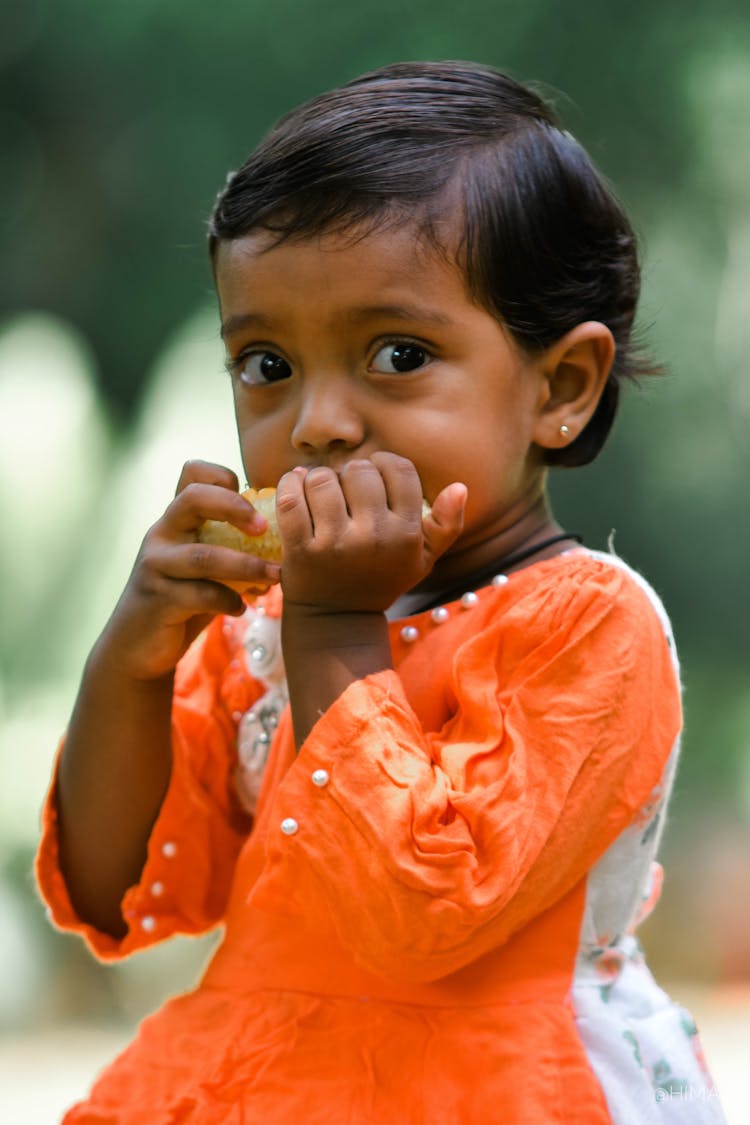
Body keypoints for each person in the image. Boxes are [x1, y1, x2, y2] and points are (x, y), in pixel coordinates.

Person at [36, 61, 726, 1123]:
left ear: (561, 388)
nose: (317, 423)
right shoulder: (264, 626)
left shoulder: (588, 627)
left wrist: (336, 624)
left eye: (397, 353)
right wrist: (131, 659)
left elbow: (423, 913)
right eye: (265, 363)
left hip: (492, 1086)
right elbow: (113, 885)